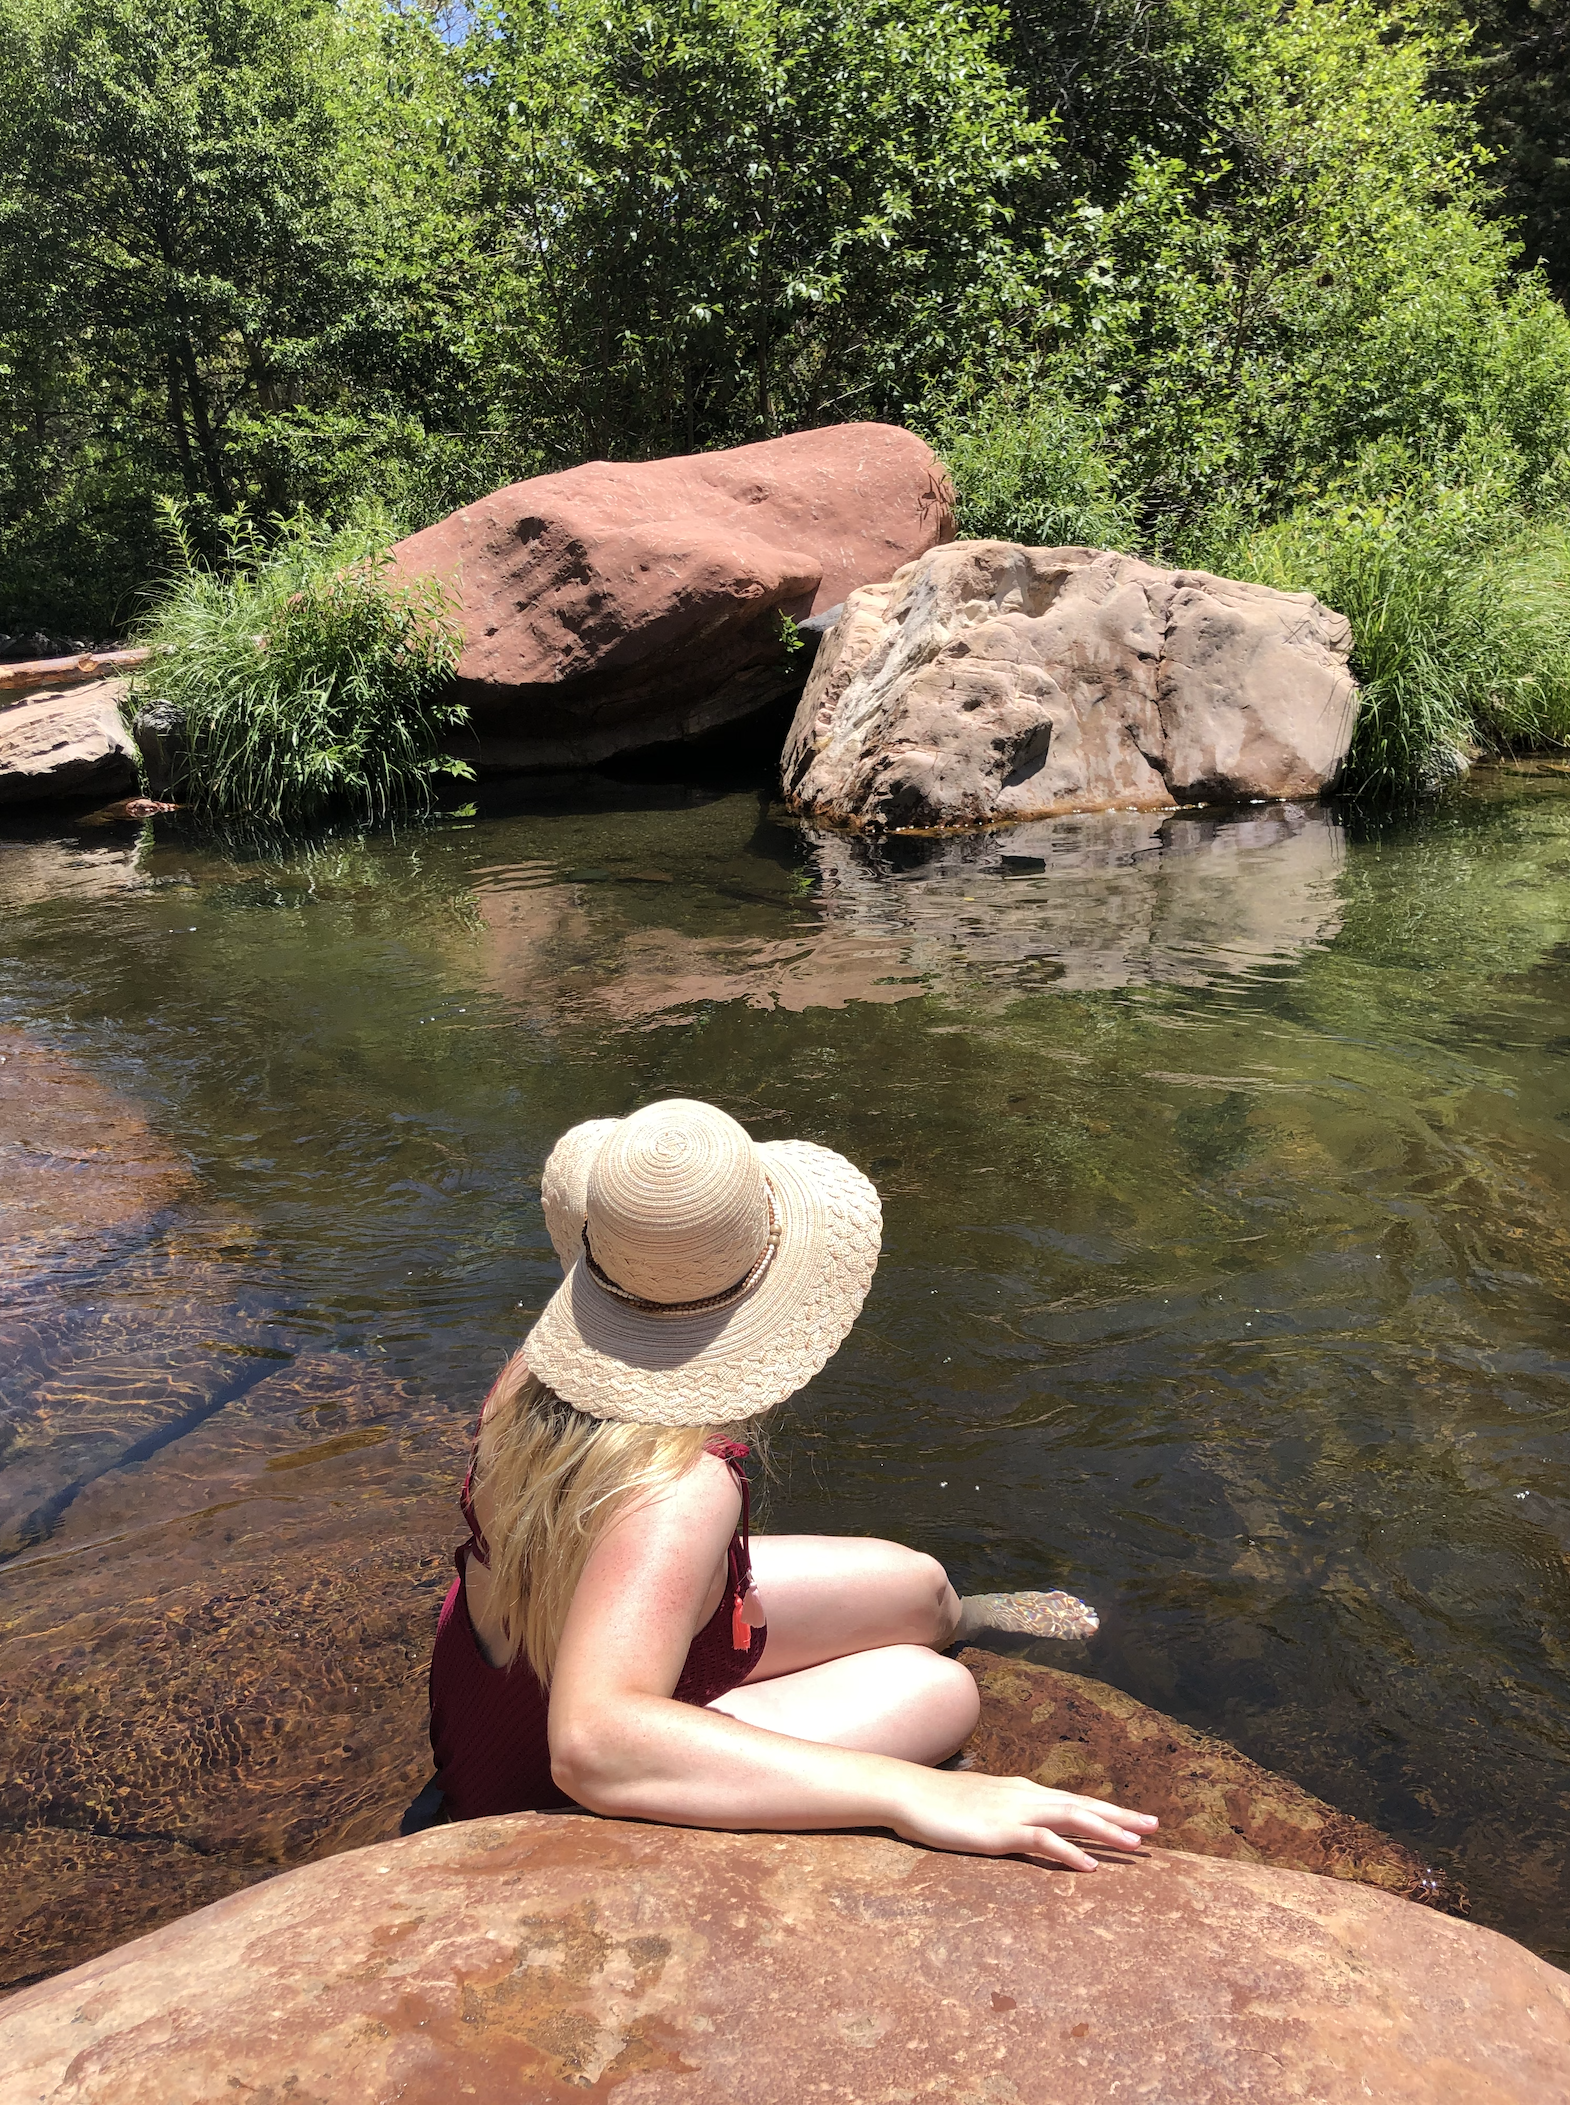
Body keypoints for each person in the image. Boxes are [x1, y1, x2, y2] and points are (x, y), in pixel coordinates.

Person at [415, 1098, 1157, 1871]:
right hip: (531, 1773)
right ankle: (907, 1675)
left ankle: (962, 1614)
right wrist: (911, 1795)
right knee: (939, 1693)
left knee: (917, 1586)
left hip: (509, 1676)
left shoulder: (540, 1366)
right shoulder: (683, 1489)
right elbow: (591, 1743)